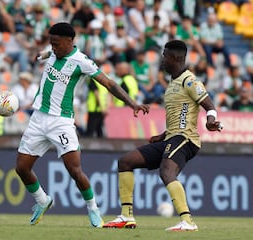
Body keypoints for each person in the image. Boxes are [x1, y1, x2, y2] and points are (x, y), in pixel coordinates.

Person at [15, 22, 149, 227]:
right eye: (51, 43)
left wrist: (132, 104)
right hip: (38, 118)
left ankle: (93, 208)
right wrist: (40, 53)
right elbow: (47, 52)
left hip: (61, 122)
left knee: (75, 171)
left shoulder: (81, 61)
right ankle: (42, 201)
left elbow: (110, 83)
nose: (54, 47)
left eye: (57, 44)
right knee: (22, 168)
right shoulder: (53, 52)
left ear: (70, 41)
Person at [103, 40, 222, 231]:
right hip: (172, 137)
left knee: (167, 172)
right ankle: (126, 217)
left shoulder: (189, 81)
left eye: (165, 56)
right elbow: (181, 115)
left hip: (186, 139)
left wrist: (211, 120)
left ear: (175, 58)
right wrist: (163, 135)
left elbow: (209, 105)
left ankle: (188, 221)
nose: (162, 60)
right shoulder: (173, 83)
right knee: (125, 162)